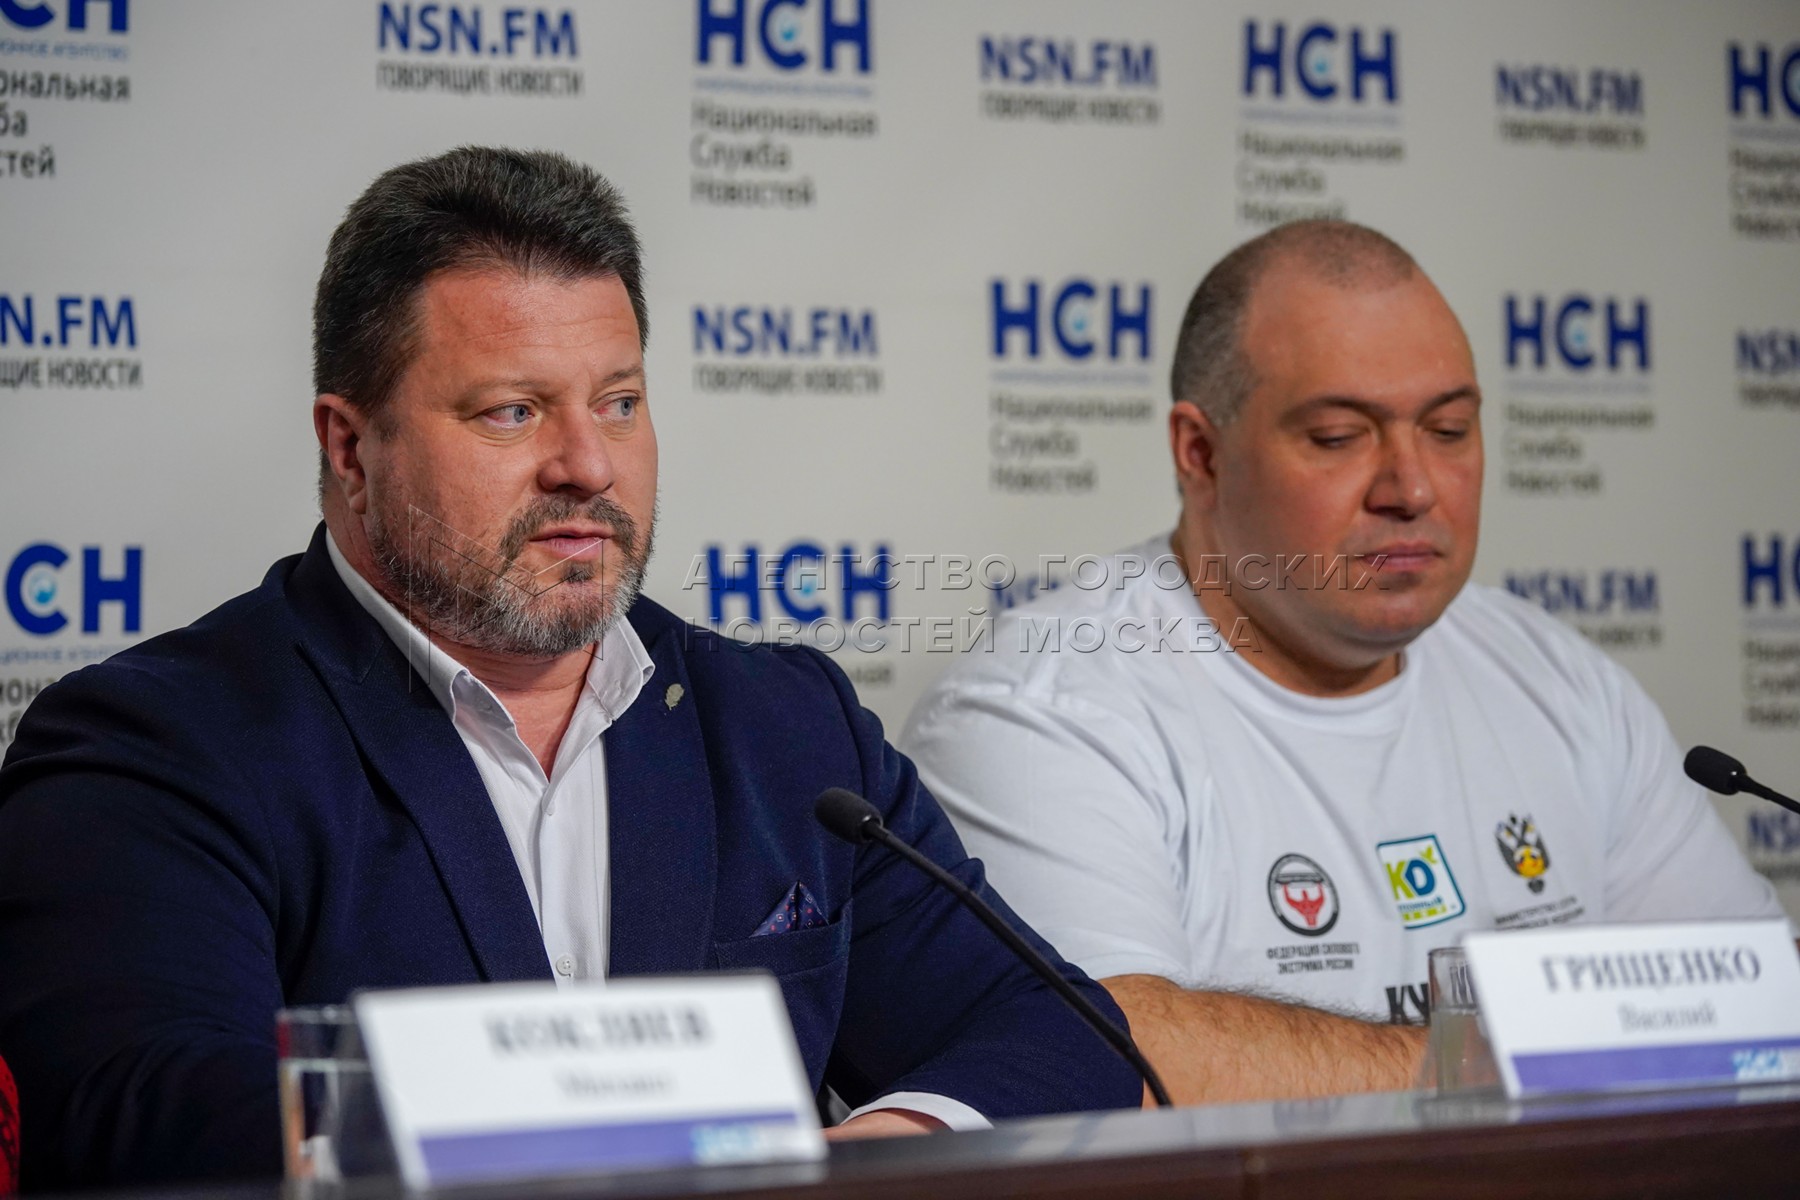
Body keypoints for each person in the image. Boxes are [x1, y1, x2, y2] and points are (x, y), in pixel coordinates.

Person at [0, 147, 1140, 1188]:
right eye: (513, 412)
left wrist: (863, 1161)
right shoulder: (158, 744)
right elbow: (142, 1108)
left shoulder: (787, 727)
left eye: (619, 403)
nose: (588, 464)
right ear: (350, 447)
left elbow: (1054, 1032)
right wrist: (651, 1129)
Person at [902, 219, 1786, 1106]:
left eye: (1449, 429)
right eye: (1338, 436)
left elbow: (1759, 1015)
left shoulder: (1562, 680)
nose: (1412, 488)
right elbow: (1103, 1062)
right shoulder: (1039, 715)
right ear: (1200, 454)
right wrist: (1533, 1059)